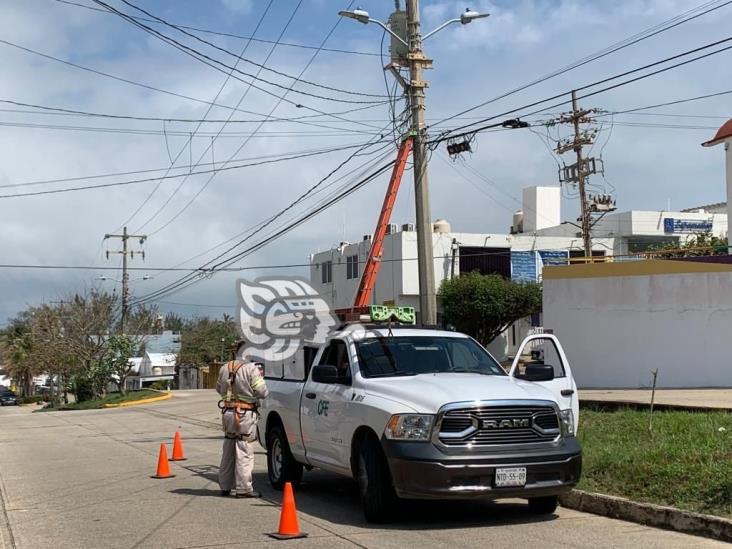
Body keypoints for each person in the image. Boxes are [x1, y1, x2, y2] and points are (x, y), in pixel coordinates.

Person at [216, 341, 268, 498]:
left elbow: (219, 388)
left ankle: (225, 486)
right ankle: (244, 489)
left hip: (228, 413)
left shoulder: (225, 367)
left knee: (228, 449)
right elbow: (262, 391)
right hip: (244, 414)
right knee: (244, 450)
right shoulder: (251, 368)